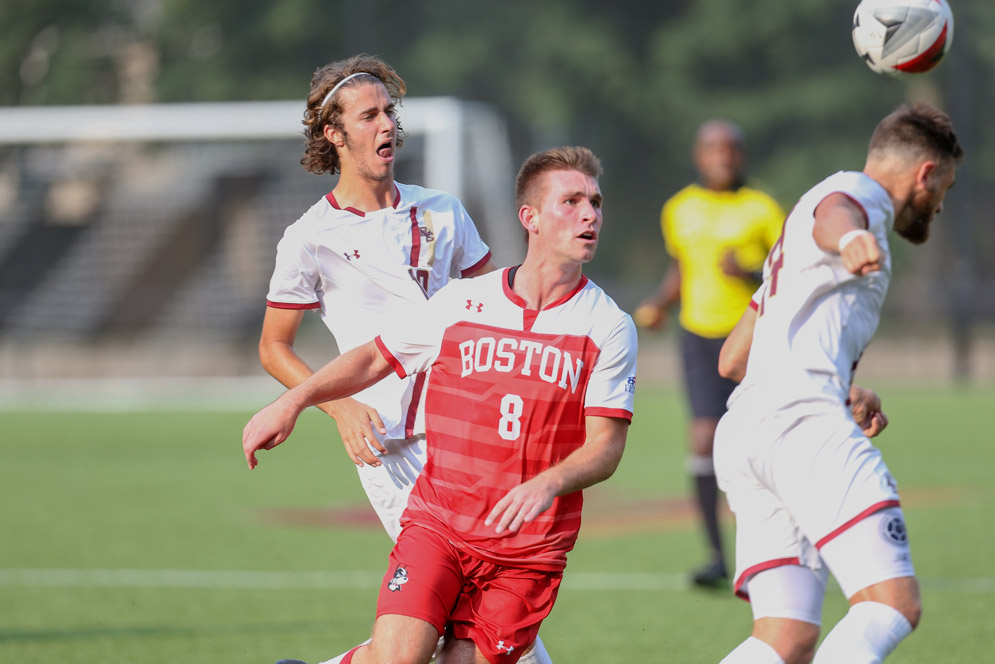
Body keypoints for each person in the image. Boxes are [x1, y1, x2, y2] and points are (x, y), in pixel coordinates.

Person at [244, 146, 638, 664]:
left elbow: (606, 447)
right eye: (571, 201)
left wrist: (551, 481)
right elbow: (372, 358)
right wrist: (295, 401)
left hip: (526, 552)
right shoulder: (465, 302)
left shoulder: (608, 326)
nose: (590, 214)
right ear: (531, 218)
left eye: (595, 202)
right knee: (398, 658)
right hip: (440, 525)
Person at [257, 54, 555, 664]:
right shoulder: (311, 237)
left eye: (389, 111)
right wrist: (339, 409)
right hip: (393, 445)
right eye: (368, 115)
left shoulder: (444, 210)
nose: (386, 124)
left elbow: (494, 309)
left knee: (461, 630)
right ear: (333, 134)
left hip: (470, 436)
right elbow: (272, 345)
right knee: (496, 628)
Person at [713, 102, 963, 664]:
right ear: (926, 173)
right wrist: (850, 238)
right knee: (891, 603)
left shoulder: (787, 252)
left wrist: (842, 387)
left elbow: (733, 358)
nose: (941, 203)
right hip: (802, 428)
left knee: (785, 639)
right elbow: (837, 210)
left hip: (750, 430)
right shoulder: (858, 197)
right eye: (945, 184)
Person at [634, 120, 784, 587]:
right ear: (699, 156)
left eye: (732, 149)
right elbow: (682, 266)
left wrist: (748, 272)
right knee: (703, 439)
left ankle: (769, 550)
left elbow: (788, 271)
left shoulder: (762, 208)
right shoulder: (679, 208)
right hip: (697, 338)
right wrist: (660, 303)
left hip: (751, 338)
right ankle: (717, 556)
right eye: (715, 149)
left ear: (742, 156)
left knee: (758, 446)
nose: (724, 156)